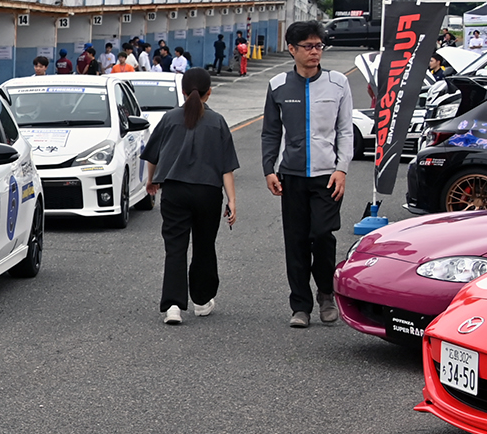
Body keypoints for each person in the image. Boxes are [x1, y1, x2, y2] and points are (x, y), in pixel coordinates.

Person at [261, 21, 353, 328]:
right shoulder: (277, 86)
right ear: (292, 49)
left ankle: (326, 294)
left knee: (322, 236)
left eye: (319, 46)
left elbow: (344, 130)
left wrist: (342, 169)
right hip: (292, 176)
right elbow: (271, 133)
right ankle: (300, 305)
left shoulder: (338, 83)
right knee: (296, 241)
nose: (315, 52)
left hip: (327, 177)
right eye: (308, 47)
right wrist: (268, 170)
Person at [144, 67, 239, 324]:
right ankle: (200, 300)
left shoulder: (169, 118)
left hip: (175, 190)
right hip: (208, 192)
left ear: (183, 92)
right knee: (204, 245)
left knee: (175, 247)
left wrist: (151, 181)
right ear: (210, 92)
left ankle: (173, 306)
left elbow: (152, 155)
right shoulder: (217, 121)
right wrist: (231, 199)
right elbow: (226, 167)